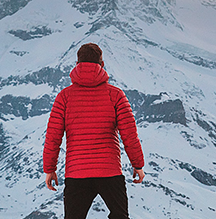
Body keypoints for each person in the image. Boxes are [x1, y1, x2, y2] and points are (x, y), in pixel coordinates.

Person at [43, 42, 145, 219]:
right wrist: (138, 165)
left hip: (76, 173)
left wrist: (50, 169)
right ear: (102, 64)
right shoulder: (115, 94)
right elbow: (129, 134)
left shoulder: (64, 97)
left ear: (77, 64)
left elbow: (53, 137)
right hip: (110, 171)